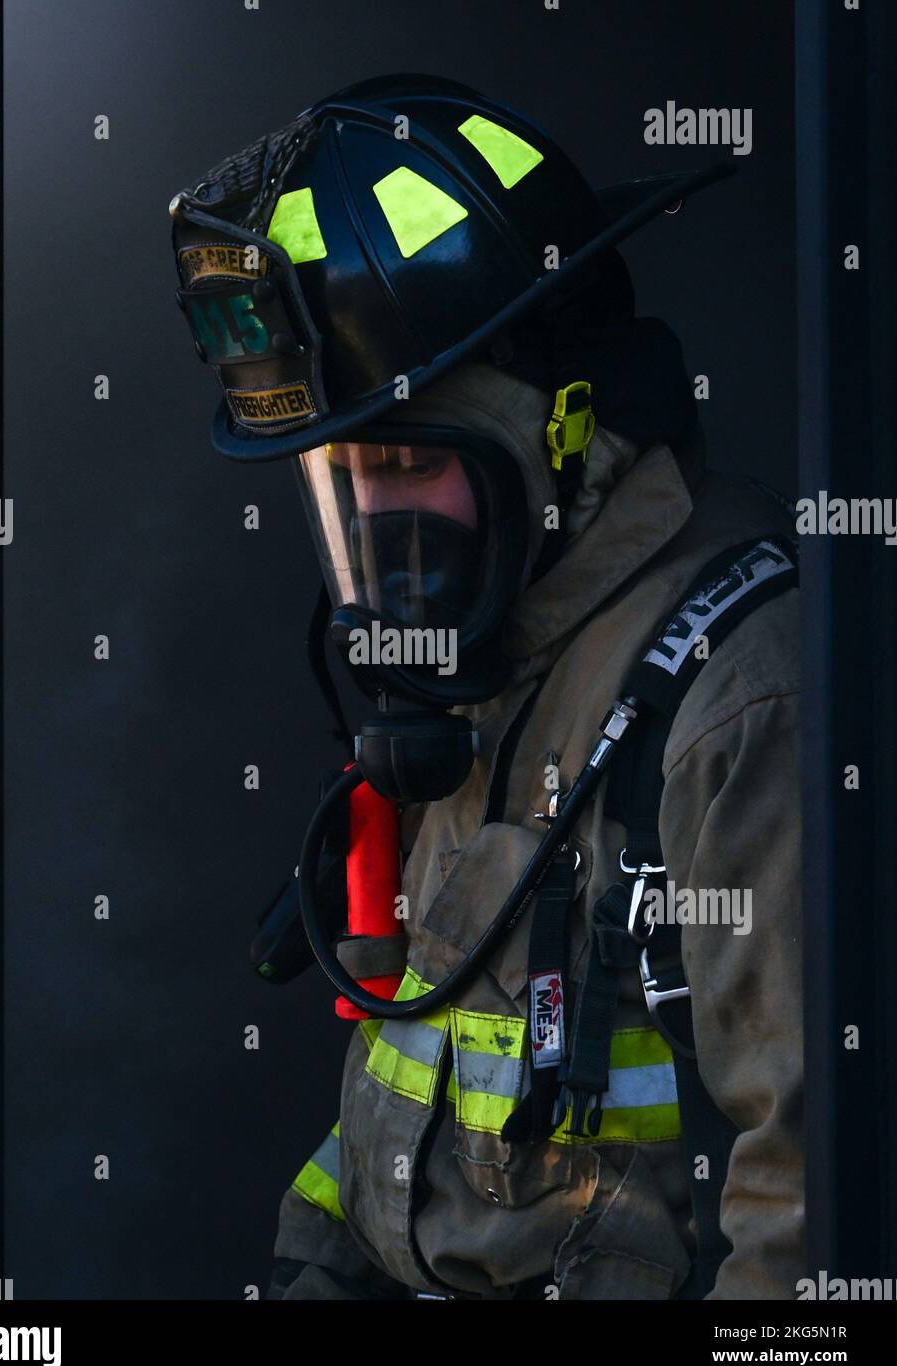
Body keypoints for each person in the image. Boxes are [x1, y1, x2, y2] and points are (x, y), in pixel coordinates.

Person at [170, 75, 803, 1301]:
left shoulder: (739, 705)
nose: (374, 527)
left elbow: (807, 1223)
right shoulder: (488, 662)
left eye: (408, 462)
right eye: (341, 478)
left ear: (562, 429)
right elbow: (407, 1130)